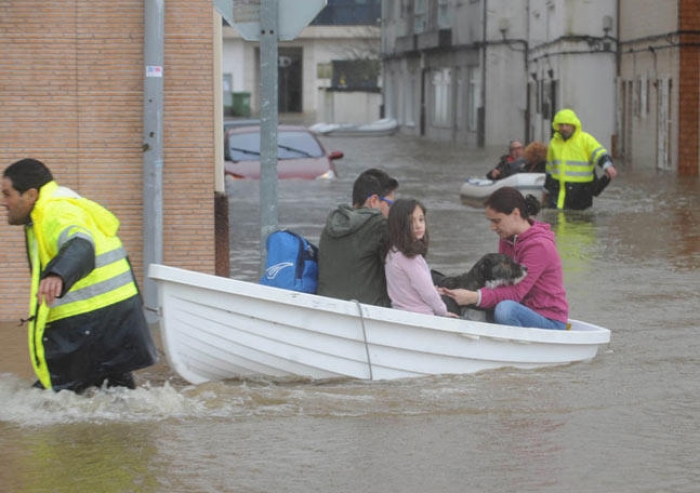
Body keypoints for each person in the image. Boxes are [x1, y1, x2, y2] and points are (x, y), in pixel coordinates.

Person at [1, 158, 158, 392]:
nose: (4, 202)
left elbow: (81, 244)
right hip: (114, 318)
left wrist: (58, 274)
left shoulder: (55, 211)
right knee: (118, 397)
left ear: (31, 194)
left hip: (88, 324)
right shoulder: (57, 208)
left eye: (7, 194)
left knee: (46, 404)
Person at [440, 187, 569, 330]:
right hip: (521, 309)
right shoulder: (507, 238)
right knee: (479, 309)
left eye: (497, 221)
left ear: (515, 214)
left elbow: (515, 293)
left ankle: (516, 349)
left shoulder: (540, 246)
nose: (492, 227)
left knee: (504, 310)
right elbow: (501, 284)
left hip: (548, 320)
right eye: (491, 221)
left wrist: (474, 297)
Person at [317, 168, 399, 307]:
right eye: (390, 204)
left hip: (326, 308)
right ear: (374, 201)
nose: (392, 211)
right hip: (367, 313)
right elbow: (406, 266)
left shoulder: (331, 224)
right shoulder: (378, 225)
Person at [384, 198, 457, 317]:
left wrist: (434, 289)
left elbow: (407, 287)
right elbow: (428, 294)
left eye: (421, 219)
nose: (418, 225)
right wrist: (443, 312)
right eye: (411, 221)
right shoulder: (410, 258)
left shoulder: (392, 252)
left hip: (401, 311)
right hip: (422, 314)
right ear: (399, 225)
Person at [544, 108, 618, 210]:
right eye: (561, 125)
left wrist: (607, 166)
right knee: (556, 221)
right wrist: (546, 190)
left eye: (567, 124)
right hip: (557, 192)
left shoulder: (585, 139)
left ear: (574, 125)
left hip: (581, 192)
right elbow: (549, 169)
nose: (564, 128)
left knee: (580, 221)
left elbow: (599, 153)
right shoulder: (554, 142)